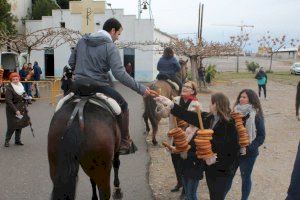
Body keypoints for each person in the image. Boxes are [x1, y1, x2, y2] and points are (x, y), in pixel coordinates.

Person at [68, 18, 150, 155]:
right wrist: (141, 89)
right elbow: (119, 74)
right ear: (112, 30)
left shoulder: (82, 41)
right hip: (98, 86)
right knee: (123, 105)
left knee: (62, 105)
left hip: (77, 86)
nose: (117, 38)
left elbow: (71, 63)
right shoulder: (110, 46)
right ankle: (125, 141)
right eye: (118, 34)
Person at [155, 92, 240, 200]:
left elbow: (233, 149)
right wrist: (171, 104)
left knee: (218, 196)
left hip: (223, 170)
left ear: (216, 104)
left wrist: (216, 158)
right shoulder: (209, 118)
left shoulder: (230, 124)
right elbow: (188, 115)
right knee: (213, 194)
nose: (209, 105)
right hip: (210, 169)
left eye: (211, 103)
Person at [168, 81, 200, 197]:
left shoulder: (195, 104)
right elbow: (166, 113)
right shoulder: (175, 99)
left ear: (193, 91)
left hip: (186, 137)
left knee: (183, 162)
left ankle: (185, 190)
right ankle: (179, 182)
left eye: (188, 87)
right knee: (175, 161)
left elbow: (195, 122)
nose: (184, 88)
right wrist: (160, 107)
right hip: (174, 136)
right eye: (184, 86)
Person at [233, 89, 266, 200]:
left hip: (249, 153)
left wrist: (249, 147)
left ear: (251, 99)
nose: (241, 99)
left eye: (244, 97)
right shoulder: (234, 112)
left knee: (245, 177)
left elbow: (261, 136)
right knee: (228, 175)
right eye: (240, 97)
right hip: (233, 151)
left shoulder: (255, 114)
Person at [4, 73, 29, 147]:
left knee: (19, 124)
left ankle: (17, 140)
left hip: (20, 108)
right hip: (12, 109)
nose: (15, 80)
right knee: (11, 125)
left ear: (19, 79)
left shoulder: (20, 86)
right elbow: (8, 101)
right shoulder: (9, 88)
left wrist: (26, 96)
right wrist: (16, 110)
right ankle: (7, 141)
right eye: (13, 79)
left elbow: (23, 94)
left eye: (17, 79)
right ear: (11, 80)